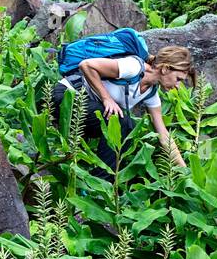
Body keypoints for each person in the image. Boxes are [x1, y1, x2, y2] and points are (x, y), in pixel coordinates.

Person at [49, 43, 194, 178]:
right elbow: (86, 65)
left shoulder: (151, 93)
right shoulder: (133, 67)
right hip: (66, 97)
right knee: (121, 122)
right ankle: (102, 183)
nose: (178, 86)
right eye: (178, 79)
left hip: (86, 113)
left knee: (128, 127)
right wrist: (107, 98)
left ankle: (100, 180)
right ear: (165, 69)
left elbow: (164, 135)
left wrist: (186, 172)